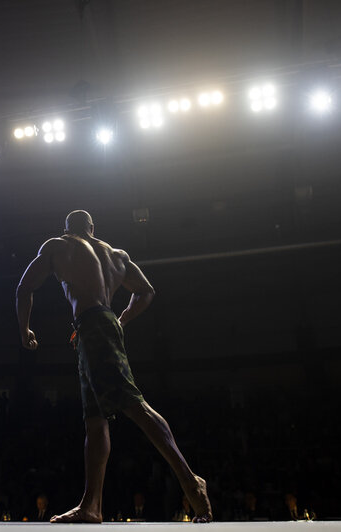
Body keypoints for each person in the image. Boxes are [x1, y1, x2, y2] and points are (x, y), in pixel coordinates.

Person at [15, 210, 212, 523]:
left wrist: (25, 330)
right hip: (97, 326)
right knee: (95, 419)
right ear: (93, 229)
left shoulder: (58, 245)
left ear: (66, 229)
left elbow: (24, 287)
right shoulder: (116, 255)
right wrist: (121, 319)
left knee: (133, 404)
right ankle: (91, 506)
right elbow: (146, 291)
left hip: (93, 326)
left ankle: (191, 481)